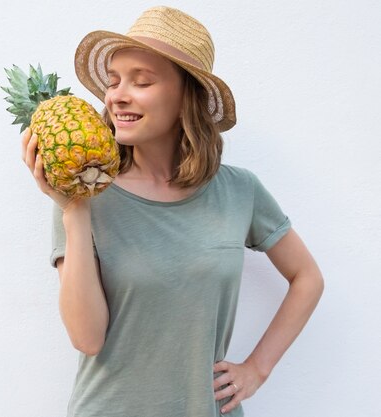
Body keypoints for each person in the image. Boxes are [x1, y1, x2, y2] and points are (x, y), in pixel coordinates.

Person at [21, 6, 324, 417]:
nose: (117, 96)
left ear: (187, 96)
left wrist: (257, 369)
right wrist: (74, 209)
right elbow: (87, 338)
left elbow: (307, 278)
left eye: (141, 81)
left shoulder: (239, 190)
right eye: (113, 82)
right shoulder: (82, 193)